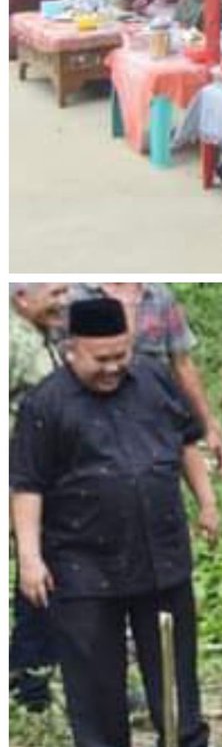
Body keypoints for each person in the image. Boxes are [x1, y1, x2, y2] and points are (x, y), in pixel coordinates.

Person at [10, 297, 222, 747]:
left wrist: (207, 502)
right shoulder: (45, 405)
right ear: (71, 351)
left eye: (120, 355)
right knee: (93, 665)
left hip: (158, 547)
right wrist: (30, 558)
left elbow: (185, 442)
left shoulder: (153, 380)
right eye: (100, 359)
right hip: (81, 556)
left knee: (172, 656)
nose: (112, 368)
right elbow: (27, 485)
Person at [70, 284, 222, 472]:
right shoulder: (75, 294)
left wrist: (207, 424)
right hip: (96, 413)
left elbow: (182, 364)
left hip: (154, 413)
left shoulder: (160, 296)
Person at [9, 284, 67, 711]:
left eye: (65, 290)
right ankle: (28, 682)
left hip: (43, 480)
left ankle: (30, 677)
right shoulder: (11, 342)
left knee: (40, 574)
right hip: (20, 480)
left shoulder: (42, 335)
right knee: (36, 573)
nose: (63, 301)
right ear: (21, 297)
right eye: (54, 293)